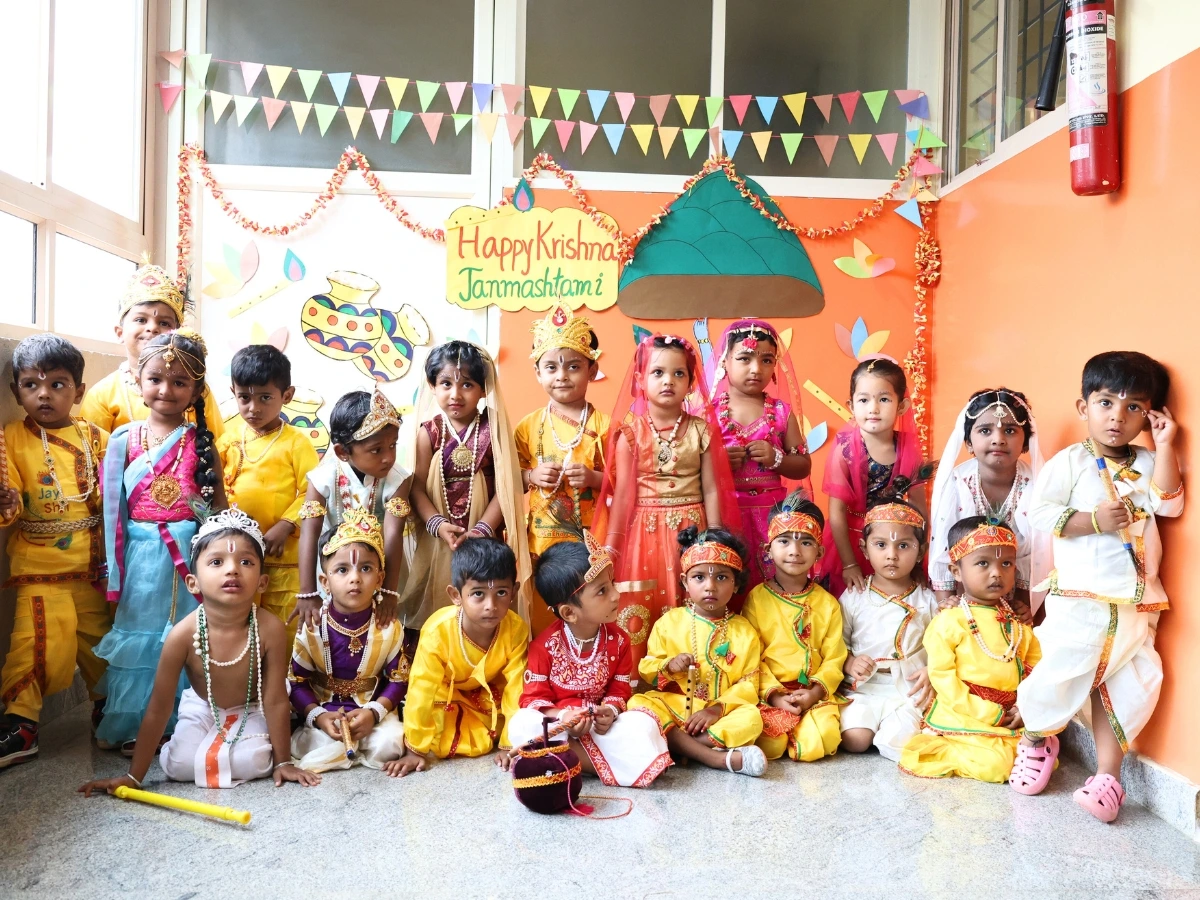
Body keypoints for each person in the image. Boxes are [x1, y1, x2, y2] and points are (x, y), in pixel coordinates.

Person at [1012, 352, 1181, 822]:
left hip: (1136, 602)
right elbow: (1041, 513)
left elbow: (1169, 505)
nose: (1117, 417)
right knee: (1059, 675)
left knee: (1130, 683)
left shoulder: (1147, 461)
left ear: (1149, 415)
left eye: (1134, 408)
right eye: (1106, 402)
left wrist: (1165, 447)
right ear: (1083, 407)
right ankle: (1035, 740)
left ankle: (1108, 777)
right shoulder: (1070, 463)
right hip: (1080, 599)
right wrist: (1090, 520)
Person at [78, 508, 319, 793]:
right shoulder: (182, 634)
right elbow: (159, 706)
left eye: (245, 561)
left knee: (254, 762)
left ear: (262, 582)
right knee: (178, 766)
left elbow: (276, 699)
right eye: (217, 562)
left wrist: (282, 763)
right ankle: (183, 744)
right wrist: (133, 778)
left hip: (253, 708)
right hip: (202, 707)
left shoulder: (270, 628)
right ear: (193, 582)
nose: (232, 569)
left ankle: (236, 746)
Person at [93, 330, 227, 754]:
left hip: (190, 555)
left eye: (180, 382)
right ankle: (137, 724)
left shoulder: (203, 445)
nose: (166, 389)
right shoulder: (123, 440)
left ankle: (182, 725)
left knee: (189, 637)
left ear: (196, 390)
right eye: (155, 379)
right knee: (143, 637)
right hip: (139, 555)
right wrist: (110, 565)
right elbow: (111, 510)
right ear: (138, 379)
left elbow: (218, 512)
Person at [592, 334, 740, 671]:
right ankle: (646, 677)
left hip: (693, 529)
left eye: (678, 374)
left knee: (694, 598)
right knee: (646, 602)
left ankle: (698, 673)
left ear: (690, 383)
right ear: (640, 381)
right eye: (658, 373)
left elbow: (712, 489)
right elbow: (625, 496)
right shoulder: (630, 434)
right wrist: (613, 548)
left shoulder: (702, 431)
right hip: (644, 534)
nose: (668, 381)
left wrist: (715, 537)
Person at [0, 336, 111, 768]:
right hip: (39, 568)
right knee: (31, 645)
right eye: (31, 385)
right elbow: (7, 500)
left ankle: (111, 712)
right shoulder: (10, 439)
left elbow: (113, 502)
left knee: (101, 645)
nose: (44, 394)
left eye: (58, 384)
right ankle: (21, 723)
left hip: (92, 566)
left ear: (79, 392)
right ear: (16, 392)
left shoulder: (98, 438)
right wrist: (7, 506)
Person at [502, 531, 671, 788]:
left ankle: (565, 763)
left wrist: (610, 712)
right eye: (602, 591)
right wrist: (565, 717)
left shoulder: (619, 641)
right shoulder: (543, 646)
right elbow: (534, 699)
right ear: (569, 612)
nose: (616, 595)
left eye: (612, 584)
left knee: (643, 722)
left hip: (600, 731)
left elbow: (619, 690)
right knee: (522, 723)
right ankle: (605, 765)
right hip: (562, 730)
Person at [899, 518, 1040, 782]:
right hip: (966, 714)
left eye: (1006, 563)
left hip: (1011, 714)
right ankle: (947, 748)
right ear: (956, 571)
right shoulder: (950, 620)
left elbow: (1034, 667)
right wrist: (988, 712)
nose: (997, 573)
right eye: (983, 563)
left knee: (1033, 752)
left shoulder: (1017, 622)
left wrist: (1025, 707)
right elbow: (943, 679)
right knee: (997, 766)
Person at [403, 341, 530, 633]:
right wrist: (438, 524)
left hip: (485, 535)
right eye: (446, 383)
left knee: (485, 600)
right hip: (439, 540)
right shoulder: (428, 433)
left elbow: (506, 486)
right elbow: (417, 488)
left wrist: (483, 530)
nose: (455, 394)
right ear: (432, 386)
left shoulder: (493, 428)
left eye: (467, 385)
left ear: (484, 389)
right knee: (441, 607)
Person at [629, 527, 767, 777]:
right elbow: (647, 667)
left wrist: (715, 710)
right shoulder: (669, 622)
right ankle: (714, 757)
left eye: (722, 577)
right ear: (684, 582)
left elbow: (749, 683)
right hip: (677, 706)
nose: (710, 587)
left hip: (717, 714)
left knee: (752, 718)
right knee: (638, 702)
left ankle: (677, 745)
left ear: (736, 584)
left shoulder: (744, 631)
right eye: (699, 577)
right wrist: (669, 666)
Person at [393, 538, 529, 774]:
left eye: (501, 592)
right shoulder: (438, 631)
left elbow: (516, 688)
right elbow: (422, 687)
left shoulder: (516, 629)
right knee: (438, 731)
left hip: (488, 696)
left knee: (526, 723)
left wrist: (510, 744)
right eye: (478, 593)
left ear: (514, 592)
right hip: (446, 693)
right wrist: (415, 750)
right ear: (456, 595)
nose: (491, 605)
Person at [288, 508, 408, 775]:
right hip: (326, 711)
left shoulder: (388, 625)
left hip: (372, 711)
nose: (354, 578)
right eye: (342, 569)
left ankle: (354, 745)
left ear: (379, 579)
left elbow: (399, 679)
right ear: (325, 582)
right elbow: (296, 682)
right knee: (313, 743)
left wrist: (374, 713)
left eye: (365, 568)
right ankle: (338, 742)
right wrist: (319, 717)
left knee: (390, 742)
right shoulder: (313, 625)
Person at [515, 306, 610, 636]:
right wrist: (530, 477)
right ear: (537, 373)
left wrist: (595, 478)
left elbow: (625, 482)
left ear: (592, 369)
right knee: (544, 612)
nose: (562, 376)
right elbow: (506, 478)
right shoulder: (527, 428)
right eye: (551, 367)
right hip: (541, 542)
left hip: (589, 541)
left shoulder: (604, 426)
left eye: (574, 366)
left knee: (588, 607)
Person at [217, 345, 318, 649]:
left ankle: (284, 691)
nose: (253, 408)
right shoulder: (229, 439)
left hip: (282, 558)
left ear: (286, 395)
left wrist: (286, 524)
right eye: (244, 398)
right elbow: (217, 487)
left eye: (265, 397)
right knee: (241, 629)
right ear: (233, 392)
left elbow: (312, 493)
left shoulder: (296, 443)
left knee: (282, 631)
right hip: (239, 555)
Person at [295, 388, 410, 633]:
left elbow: (393, 535)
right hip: (332, 572)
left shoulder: (398, 479)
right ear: (342, 452)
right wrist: (307, 592)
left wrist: (388, 591)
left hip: (382, 572)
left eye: (393, 445)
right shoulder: (322, 478)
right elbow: (309, 534)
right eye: (377, 450)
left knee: (380, 633)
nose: (389, 457)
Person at [743, 494, 847, 762]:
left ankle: (807, 721)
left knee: (821, 741)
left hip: (812, 692)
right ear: (768, 549)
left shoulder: (827, 603)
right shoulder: (756, 598)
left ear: (819, 552)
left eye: (806, 542)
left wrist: (814, 693)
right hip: (771, 694)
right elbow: (751, 657)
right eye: (784, 541)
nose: (794, 551)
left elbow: (835, 657)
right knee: (771, 746)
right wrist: (776, 696)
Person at [711, 319, 813, 591]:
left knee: (774, 584)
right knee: (730, 583)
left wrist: (776, 459)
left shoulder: (781, 412)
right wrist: (718, 463)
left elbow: (803, 466)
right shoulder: (708, 415)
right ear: (724, 362)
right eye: (744, 358)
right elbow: (692, 468)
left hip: (773, 518)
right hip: (725, 516)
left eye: (767, 360)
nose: (756, 368)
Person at [928, 388, 1045, 623]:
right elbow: (942, 548)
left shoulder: (1038, 485)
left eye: (1010, 430)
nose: (998, 439)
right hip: (965, 596)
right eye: (985, 430)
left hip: (1025, 596)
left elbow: (1036, 555)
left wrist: (1023, 605)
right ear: (969, 442)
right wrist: (947, 605)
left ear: (1026, 442)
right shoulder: (956, 484)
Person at [819, 359, 930, 596]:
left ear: (902, 406)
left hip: (895, 542)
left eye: (884, 399)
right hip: (851, 542)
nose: (873, 408)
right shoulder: (845, 449)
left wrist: (919, 558)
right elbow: (836, 512)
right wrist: (849, 564)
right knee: (854, 601)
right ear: (851, 405)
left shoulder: (908, 447)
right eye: (863, 400)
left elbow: (919, 506)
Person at [79, 260, 223, 439]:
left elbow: (217, 444)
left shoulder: (194, 388)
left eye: (164, 323)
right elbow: (92, 455)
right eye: (140, 320)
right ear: (120, 332)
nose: (152, 328)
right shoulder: (102, 395)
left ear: (177, 333)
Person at [839, 502, 938, 761]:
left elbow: (942, 645)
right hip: (864, 688)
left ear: (921, 552)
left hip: (907, 689)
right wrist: (849, 662)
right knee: (855, 740)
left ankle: (893, 726)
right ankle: (872, 725)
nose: (891, 555)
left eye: (903, 546)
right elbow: (837, 641)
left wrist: (932, 670)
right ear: (865, 548)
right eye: (881, 545)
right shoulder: (854, 595)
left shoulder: (928, 600)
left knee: (896, 744)